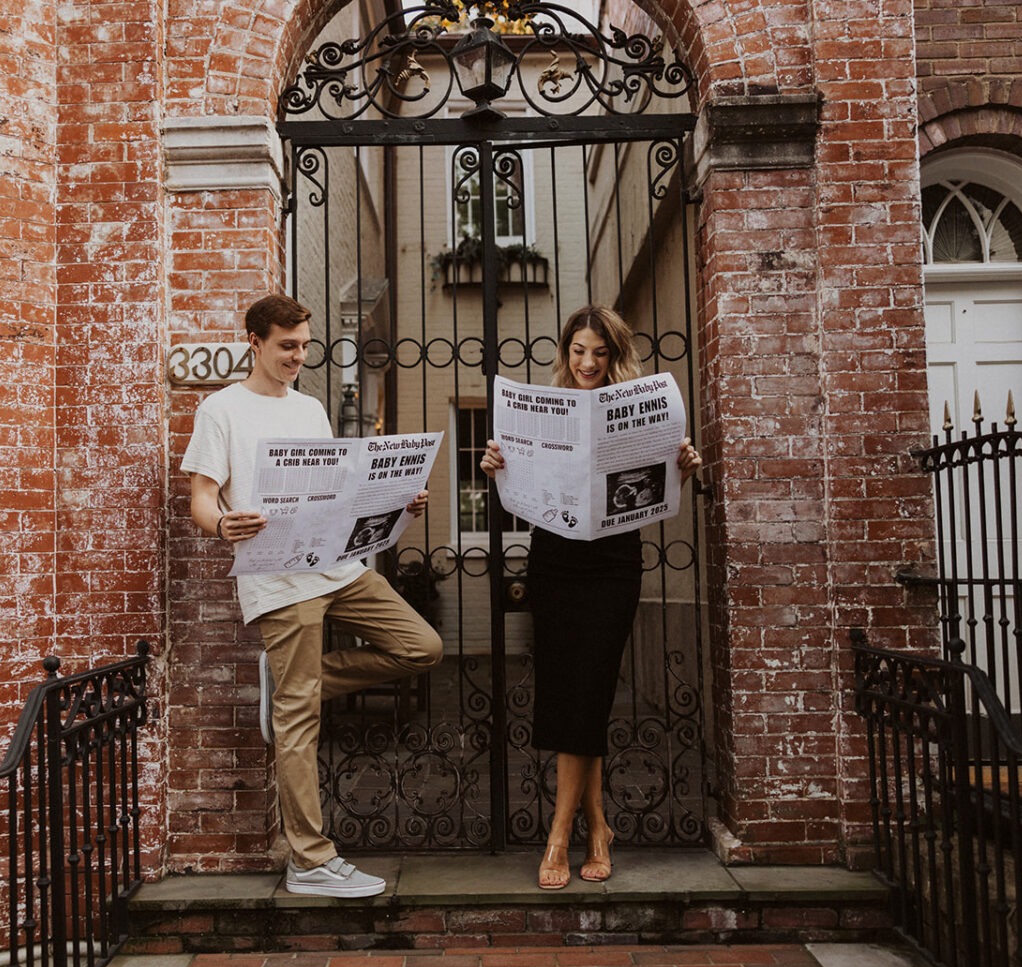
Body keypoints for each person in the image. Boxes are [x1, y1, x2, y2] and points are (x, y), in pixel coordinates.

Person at [182, 293, 443, 898]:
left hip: (339, 567)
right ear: (255, 341)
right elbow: (200, 497)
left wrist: (394, 503)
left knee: (421, 648)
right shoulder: (222, 411)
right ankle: (310, 861)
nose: (299, 356)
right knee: (301, 720)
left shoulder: (311, 410)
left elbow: (336, 496)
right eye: (287, 346)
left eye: (304, 346)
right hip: (277, 577)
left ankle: (290, 684)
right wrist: (221, 524)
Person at [480, 305, 700, 890]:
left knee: (591, 688)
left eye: (599, 353)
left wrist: (684, 466)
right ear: (566, 352)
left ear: (614, 355)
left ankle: (558, 833)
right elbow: (515, 494)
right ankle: (598, 827)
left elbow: (661, 486)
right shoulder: (545, 408)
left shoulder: (637, 409)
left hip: (611, 566)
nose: (587, 362)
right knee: (572, 695)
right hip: (555, 561)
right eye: (579, 350)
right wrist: (495, 467)